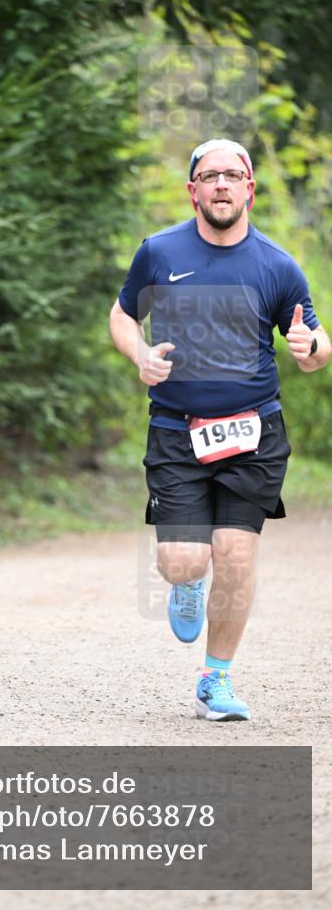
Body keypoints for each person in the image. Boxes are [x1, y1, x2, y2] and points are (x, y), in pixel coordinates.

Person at [109, 138, 330, 721]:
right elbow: (123, 312)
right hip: (177, 431)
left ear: (250, 188)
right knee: (185, 561)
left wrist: (311, 349)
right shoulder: (158, 252)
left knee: (235, 553)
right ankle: (186, 582)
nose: (222, 185)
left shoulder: (277, 264)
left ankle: (217, 679)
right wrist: (139, 354)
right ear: (194, 190)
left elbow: (314, 341)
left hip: (254, 432)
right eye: (210, 176)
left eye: (234, 175)